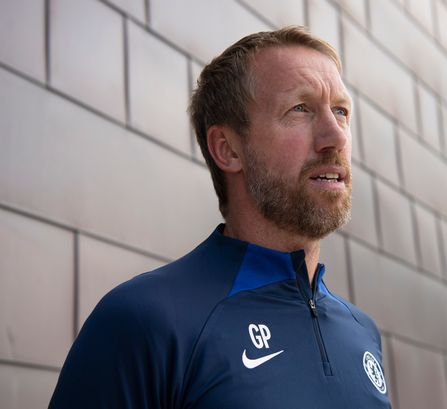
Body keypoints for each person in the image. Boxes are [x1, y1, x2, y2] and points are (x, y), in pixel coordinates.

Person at [49, 26, 391, 408]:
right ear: (228, 149)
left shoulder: (362, 333)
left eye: (341, 111)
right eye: (300, 109)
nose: (336, 137)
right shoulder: (144, 321)